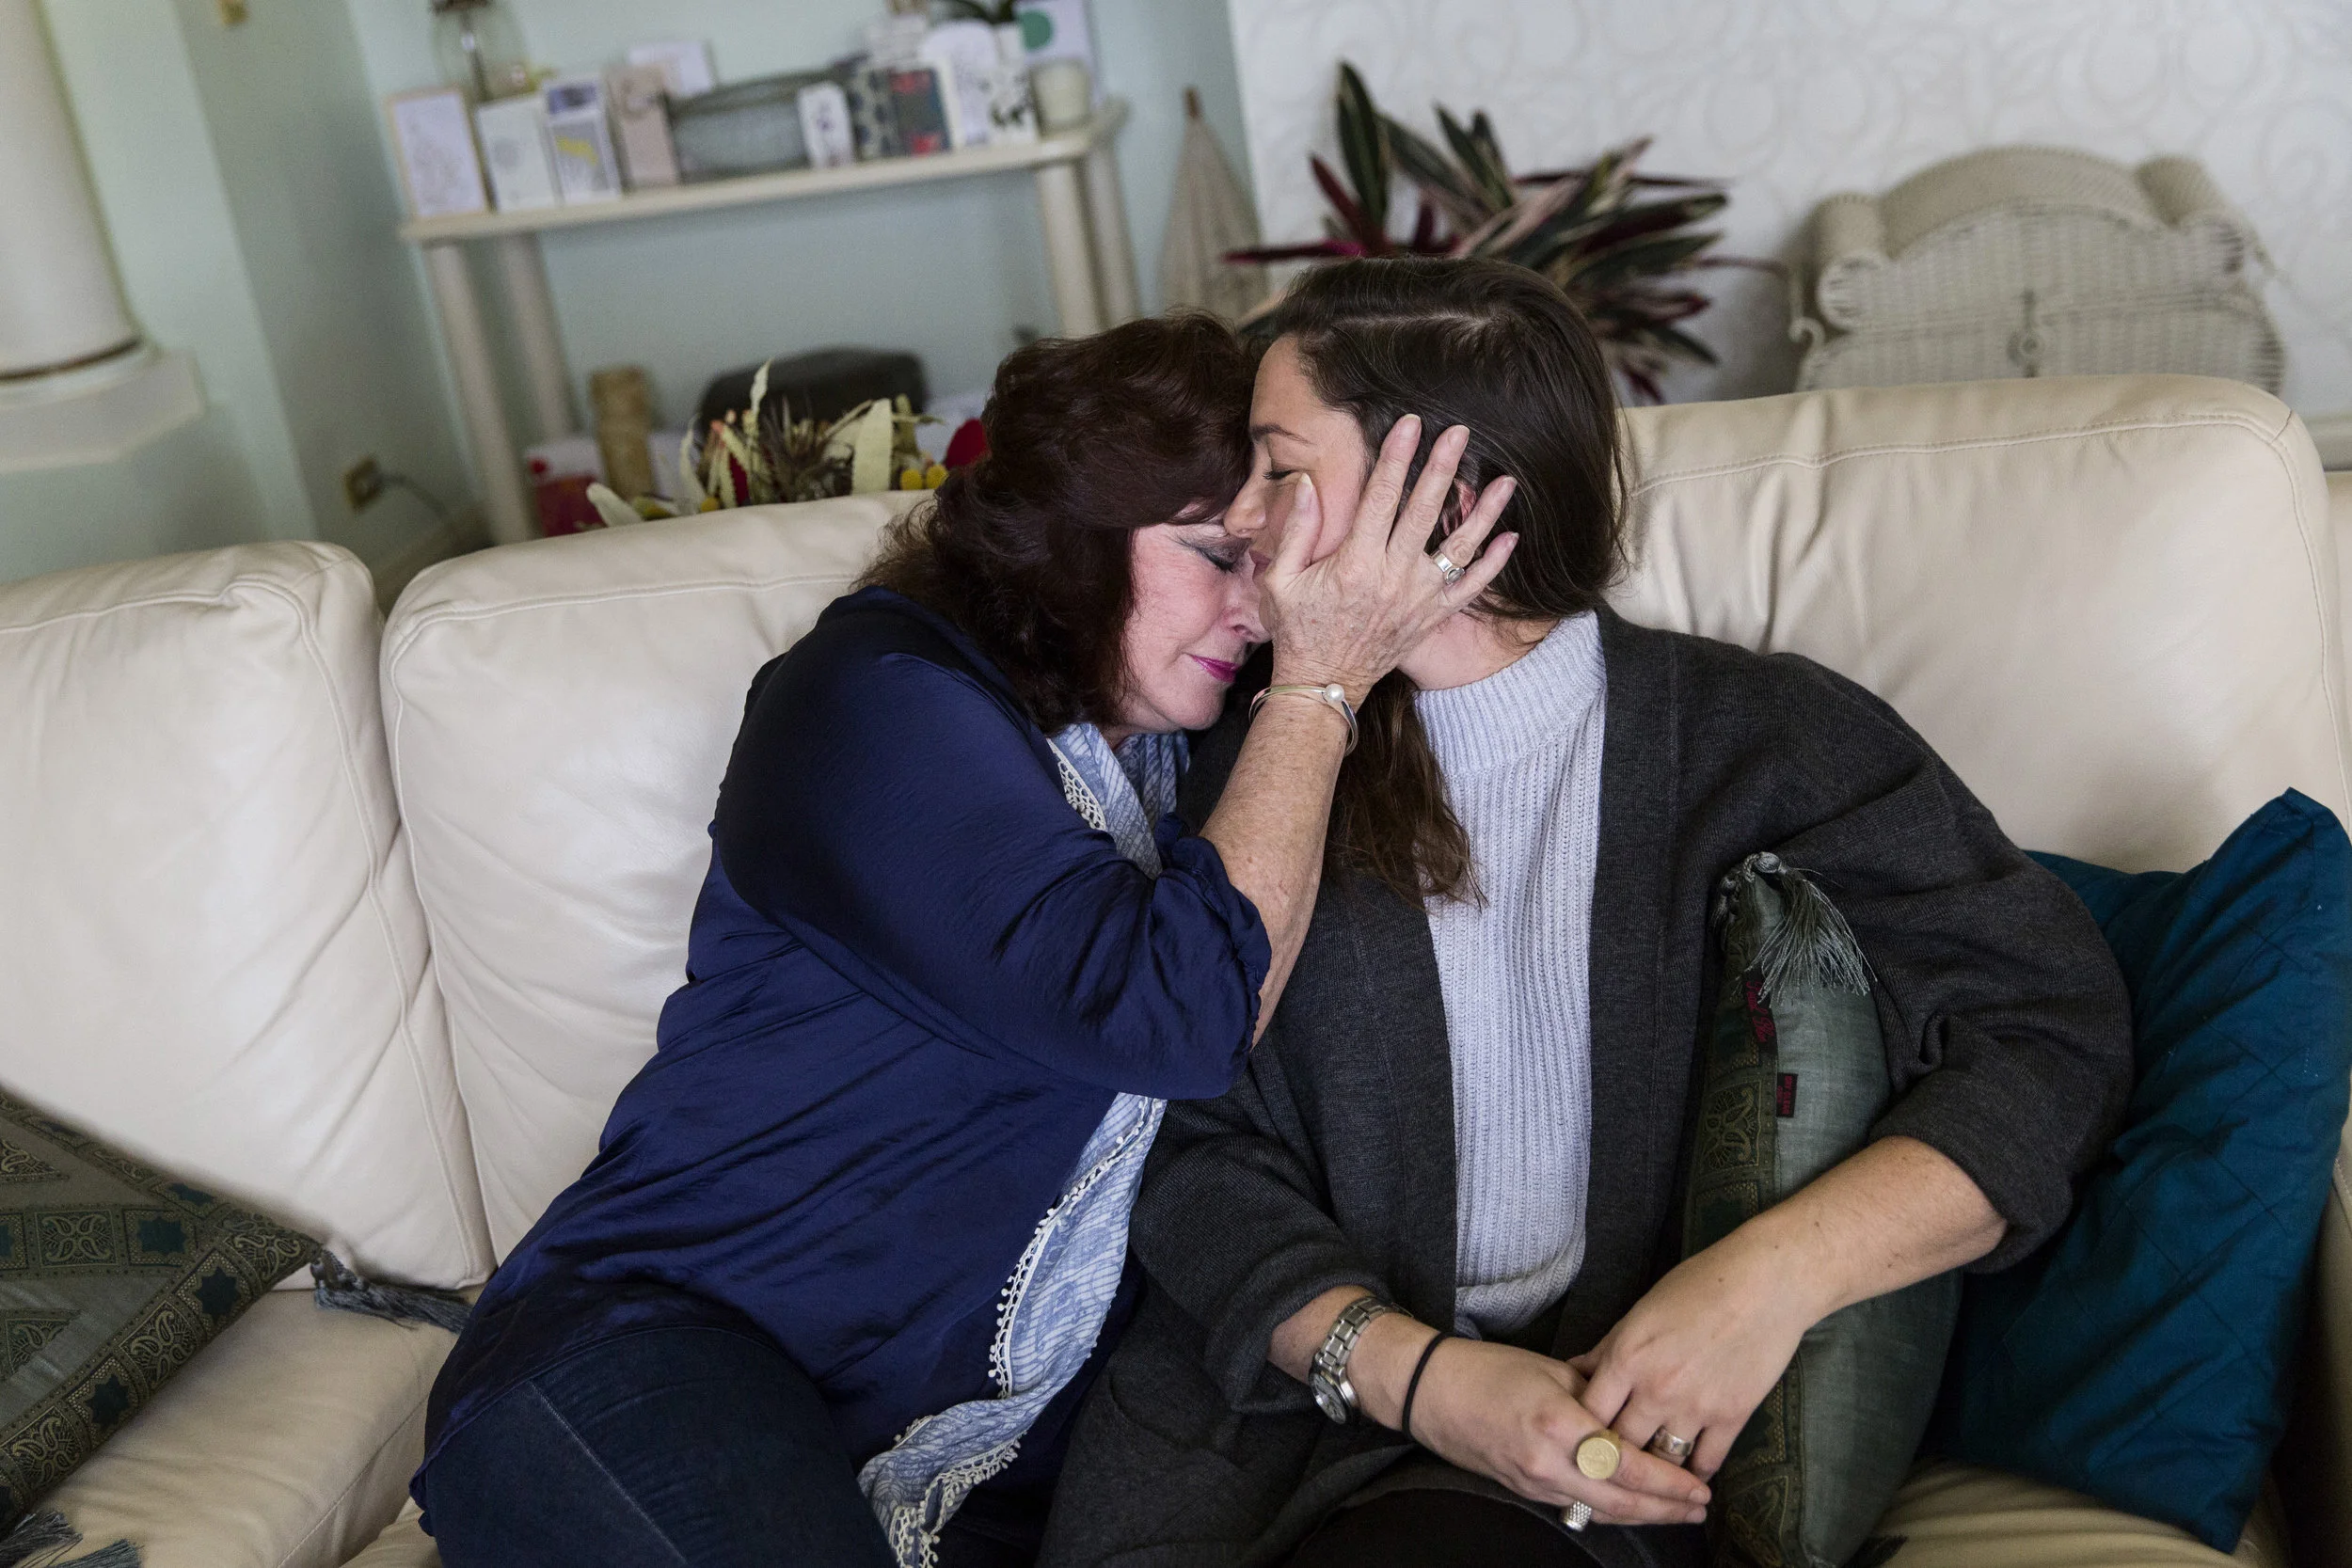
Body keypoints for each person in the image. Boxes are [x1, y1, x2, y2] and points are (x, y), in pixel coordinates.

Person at [1041, 259, 2136, 1568]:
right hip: (1269, 1434)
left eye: (1279, 469)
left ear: (1442, 500)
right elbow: (1170, 1141)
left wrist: (1771, 1279)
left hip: (1590, 1463)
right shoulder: (1258, 767)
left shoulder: (1767, 743)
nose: (1241, 516)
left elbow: (2052, 1034)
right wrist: (1417, 1375)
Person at [409, 311, 1519, 1568]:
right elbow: (1179, 1012)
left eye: (1281, 569)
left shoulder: (1188, 754)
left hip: (964, 1462)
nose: (1261, 609)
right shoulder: (871, 701)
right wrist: (1322, 685)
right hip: (655, 1348)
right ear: (1072, 537)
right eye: (1219, 555)